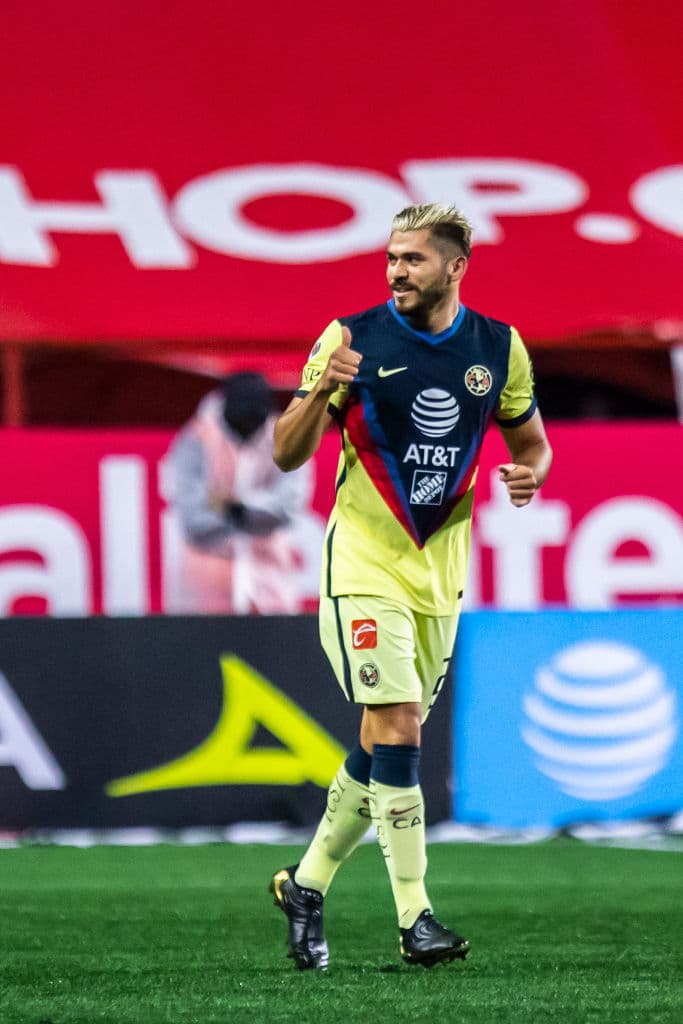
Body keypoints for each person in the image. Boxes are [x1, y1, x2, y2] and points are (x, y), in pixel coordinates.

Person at [268, 202, 553, 970]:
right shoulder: (349, 337)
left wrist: (530, 474)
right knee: (397, 728)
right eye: (391, 257)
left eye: (413, 260)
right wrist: (321, 388)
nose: (396, 271)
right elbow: (286, 453)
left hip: (441, 571)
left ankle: (306, 883)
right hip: (362, 565)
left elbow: (531, 440)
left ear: (455, 266)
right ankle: (414, 917)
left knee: (378, 748)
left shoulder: (498, 347)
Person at [166, 371, 311, 614]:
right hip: (206, 589)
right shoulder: (196, 438)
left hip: (270, 584)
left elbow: (287, 507)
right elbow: (192, 519)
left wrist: (228, 507)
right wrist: (256, 514)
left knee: (273, 649)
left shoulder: (286, 437)